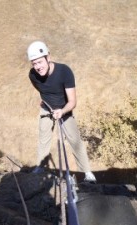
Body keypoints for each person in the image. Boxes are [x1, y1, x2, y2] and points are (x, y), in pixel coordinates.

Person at [27, 41, 96, 183]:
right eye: (34, 64)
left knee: (75, 141)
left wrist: (62, 111)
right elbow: (42, 89)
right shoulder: (33, 75)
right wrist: (45, 102)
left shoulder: (64, 72)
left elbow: (72, 102)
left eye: (40, 62)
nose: (38, 67)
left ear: (48, 57)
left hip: (65, 109)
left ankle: (87, 173)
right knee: (43, 138)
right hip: (47, 109)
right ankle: (40, 167)